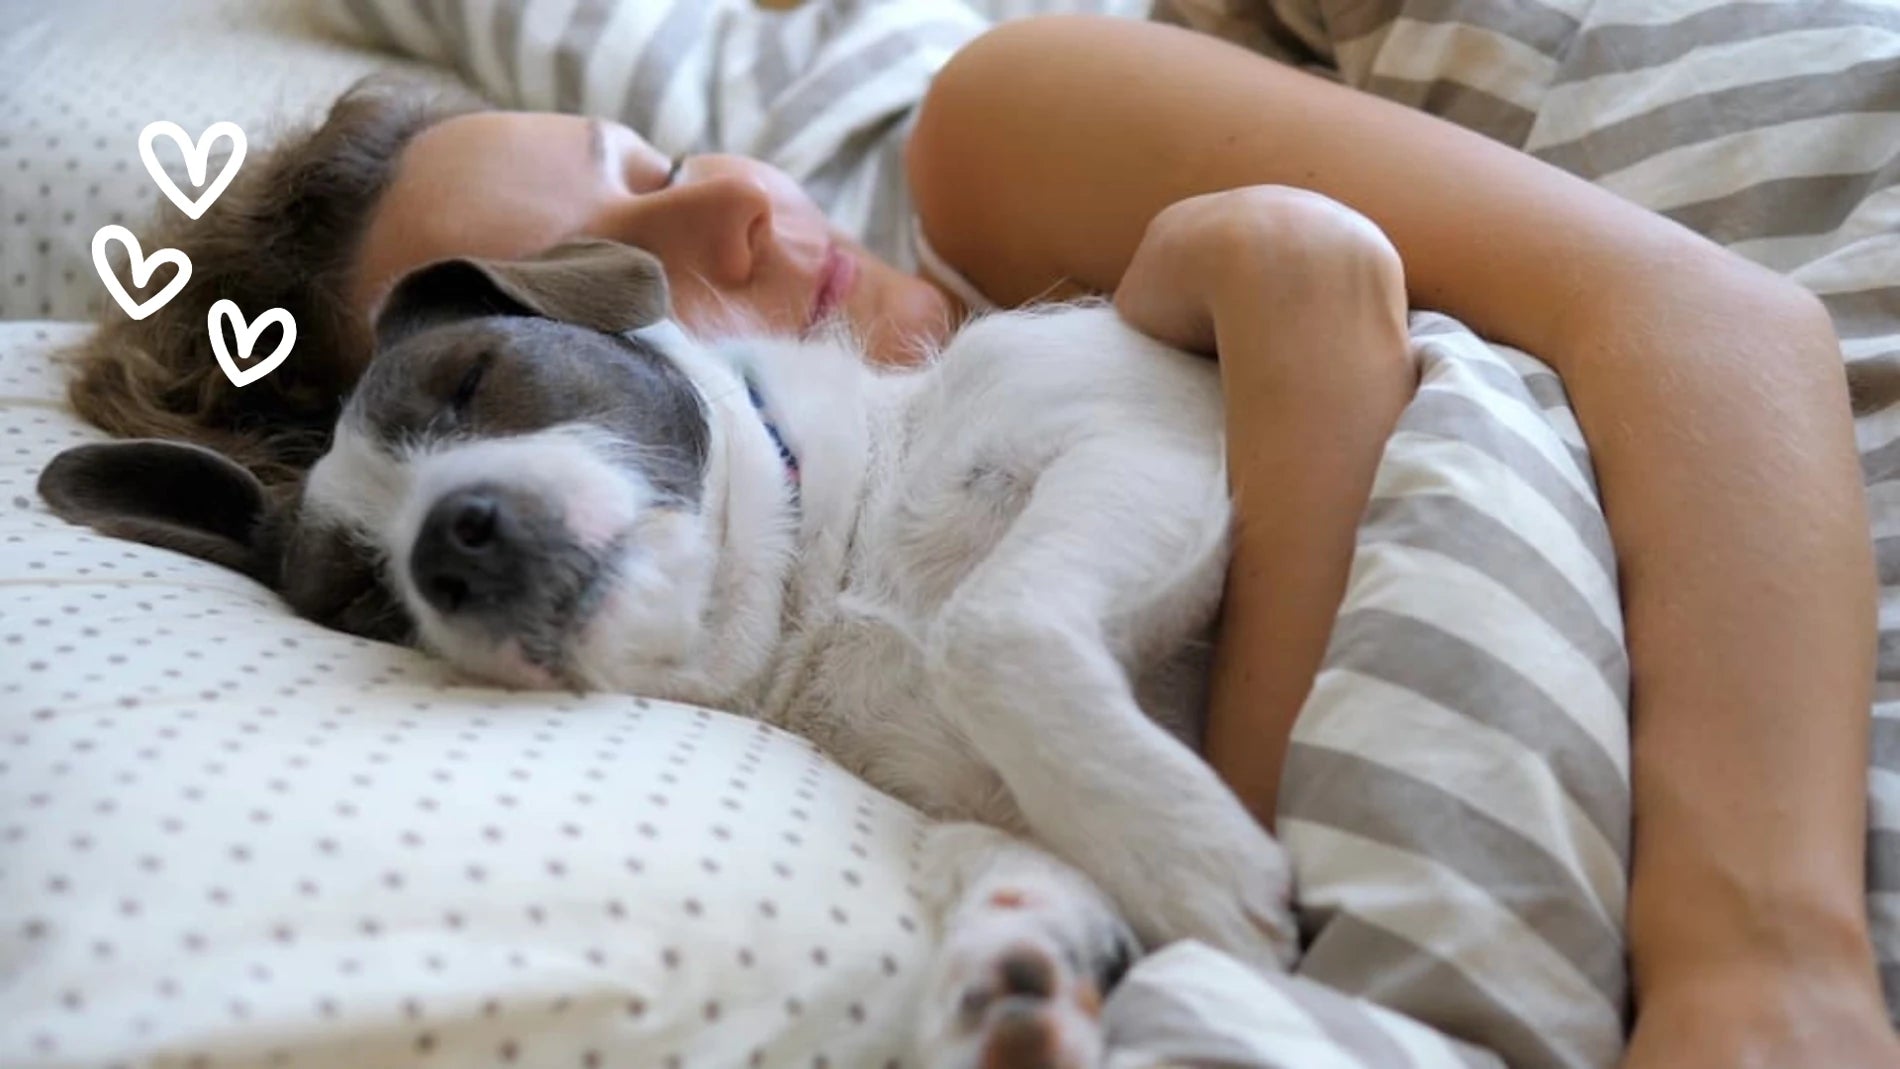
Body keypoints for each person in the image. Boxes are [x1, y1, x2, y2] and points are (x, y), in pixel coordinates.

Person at [64, 9, 1897, 1068]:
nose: (734, 210)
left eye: (651, 160)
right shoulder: (796, 658)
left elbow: (1709, 318)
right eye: (609, 275)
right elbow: (1261, 856)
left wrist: (1761, 962)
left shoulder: (991, 137)